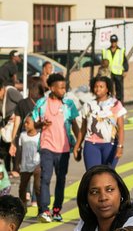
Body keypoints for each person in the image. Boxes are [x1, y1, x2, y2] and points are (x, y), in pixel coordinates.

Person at [31, 72, 81, 222]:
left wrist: (78, 145)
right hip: (47, 146)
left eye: (64, 87)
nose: (63, 90)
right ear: (52, 88)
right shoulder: (42, 103)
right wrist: (41, 124)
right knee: (45, 178)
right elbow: (34, 123)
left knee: (61, 180)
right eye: (60, 88)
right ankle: (45, 210)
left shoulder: (68, 104)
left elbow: (75, 124)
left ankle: (57, 210)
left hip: (64, 149)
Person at [77, 75, 127, 169]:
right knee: (93, 175)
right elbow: (83, 128)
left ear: (107, 88)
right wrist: (77, 145)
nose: (98, 89)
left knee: (107, 175)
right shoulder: (88, 105)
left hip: (110, 145)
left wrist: (120, 146)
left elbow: (121, 128)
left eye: (101, 87)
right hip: (91, 145)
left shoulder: (116, 104)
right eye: (96, 86)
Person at [74, 165, 133, 231]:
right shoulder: (84, 225)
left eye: (110, 190)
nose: (103, 198)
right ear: (86, 199)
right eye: (94, 192)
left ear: (121, 192)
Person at [16, 117, 40, 214]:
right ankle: (23, 207)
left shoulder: (40, 136)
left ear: (35, 124)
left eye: (28, 122)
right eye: (24, 122)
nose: (25, 124)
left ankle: (41, 209)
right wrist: (16, 165)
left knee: (38, 187)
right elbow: (19, 151)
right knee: (22, 187)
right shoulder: (22, 136)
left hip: (37, 165)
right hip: (25, 166)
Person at [101, 35, 128, 103]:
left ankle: (119, 104)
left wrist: (125, 70)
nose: (113, 43)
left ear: (117, 42)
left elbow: (125, 61)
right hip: (108, 73)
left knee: (119, 89)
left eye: (115, 42)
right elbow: (103, 62)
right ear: (110, 42)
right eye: (112, 42)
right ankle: (109, 103)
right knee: (109, 89)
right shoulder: (106, 51)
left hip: (118, 72)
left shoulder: (120, 51)